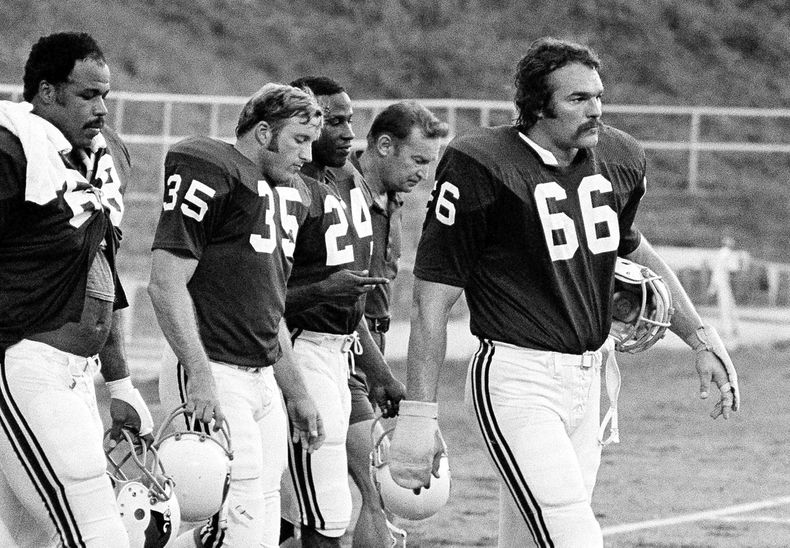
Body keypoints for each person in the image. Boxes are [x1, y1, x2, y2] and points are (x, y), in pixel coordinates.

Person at [388, 37, 740, 548]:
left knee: (534, 537)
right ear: (536, 105)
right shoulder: (480, 162)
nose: (595, 109)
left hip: (591, 376)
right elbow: (432, 299)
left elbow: (633, 250)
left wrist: (701, 337)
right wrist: (419, 415)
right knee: (571, 533)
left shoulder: (619, 156)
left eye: (598, 96)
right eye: (578, 99)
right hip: (517, 378)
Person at [148, 83, 326, 548]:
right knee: (238, 524)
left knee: (262, 521)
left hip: (262, 376)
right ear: (263, 131)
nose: (308, 155)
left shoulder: (289, 195)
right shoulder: (213, 169)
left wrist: (298, 391)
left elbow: (270, 310)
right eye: (299, 140)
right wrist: (201, 376)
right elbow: (165, 284)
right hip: (214, 368)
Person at [0, 32, 153, 547]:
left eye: (106, 95)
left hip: (76, 375)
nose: (103, 109)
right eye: (89, 95)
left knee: (33, 537)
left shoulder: (103, 158)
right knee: (95, 530)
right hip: (27, 364)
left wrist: (120, 382)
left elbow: (101, 272)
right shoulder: (11, 148)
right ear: (46, 92)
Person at [279, 76, 406, 548]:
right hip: (296, 349)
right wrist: (322, 291)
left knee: (297, 515)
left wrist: (380, 373)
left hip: (340, 353)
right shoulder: (287, 189)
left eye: (349, 119)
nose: (347, 132)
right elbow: (259, 298)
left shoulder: (346, 182)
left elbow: (349, 300)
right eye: (333, 122)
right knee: (323, 512)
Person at [708, 233, 740, 345]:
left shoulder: (721, 254)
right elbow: (733, 268)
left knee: (728, 307)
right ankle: (728, 332)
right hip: (723, 283)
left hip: (722, 283)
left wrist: (712, 286)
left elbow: (716, 270)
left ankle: (730, 330)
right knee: (726, 308)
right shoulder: (727, 254)